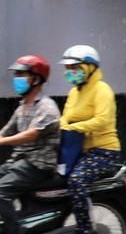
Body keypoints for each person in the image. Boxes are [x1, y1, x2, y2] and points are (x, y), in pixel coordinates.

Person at [57, 46, 119, 234]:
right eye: (67, 68)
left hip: (104, 151)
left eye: (74, 67)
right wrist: (64, 126)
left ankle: (85, 229)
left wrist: (74, 127)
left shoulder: (102, 90)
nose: (70, 72)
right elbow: (64, 118)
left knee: (76, 180)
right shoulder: (74, 92)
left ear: (89, 67)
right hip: (79, 150)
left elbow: (102, 120)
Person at [0, 56, 59, 234]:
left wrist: (2, 141)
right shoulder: (23, 106)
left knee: (1, 193)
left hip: (38, 164)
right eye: (16, 74)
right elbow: (6, 131)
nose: (16, 79)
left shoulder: (47, 107)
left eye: (21, 74)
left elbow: (31, 134)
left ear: (36, 79)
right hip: (21, 161)